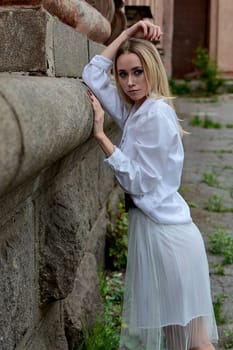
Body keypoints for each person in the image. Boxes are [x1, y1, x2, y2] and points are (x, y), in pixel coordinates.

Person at [82, 20, 218, 350]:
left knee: (195, 341)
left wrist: (102, 138)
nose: (129, 82)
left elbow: (139, 182)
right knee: (176, 339)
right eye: (123, 74)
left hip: (170, 238)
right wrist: (127, 34)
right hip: (160, 233)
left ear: (152, 70)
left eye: (138, 72)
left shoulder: (155, 114)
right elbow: (93, 74)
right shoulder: (136, 110)